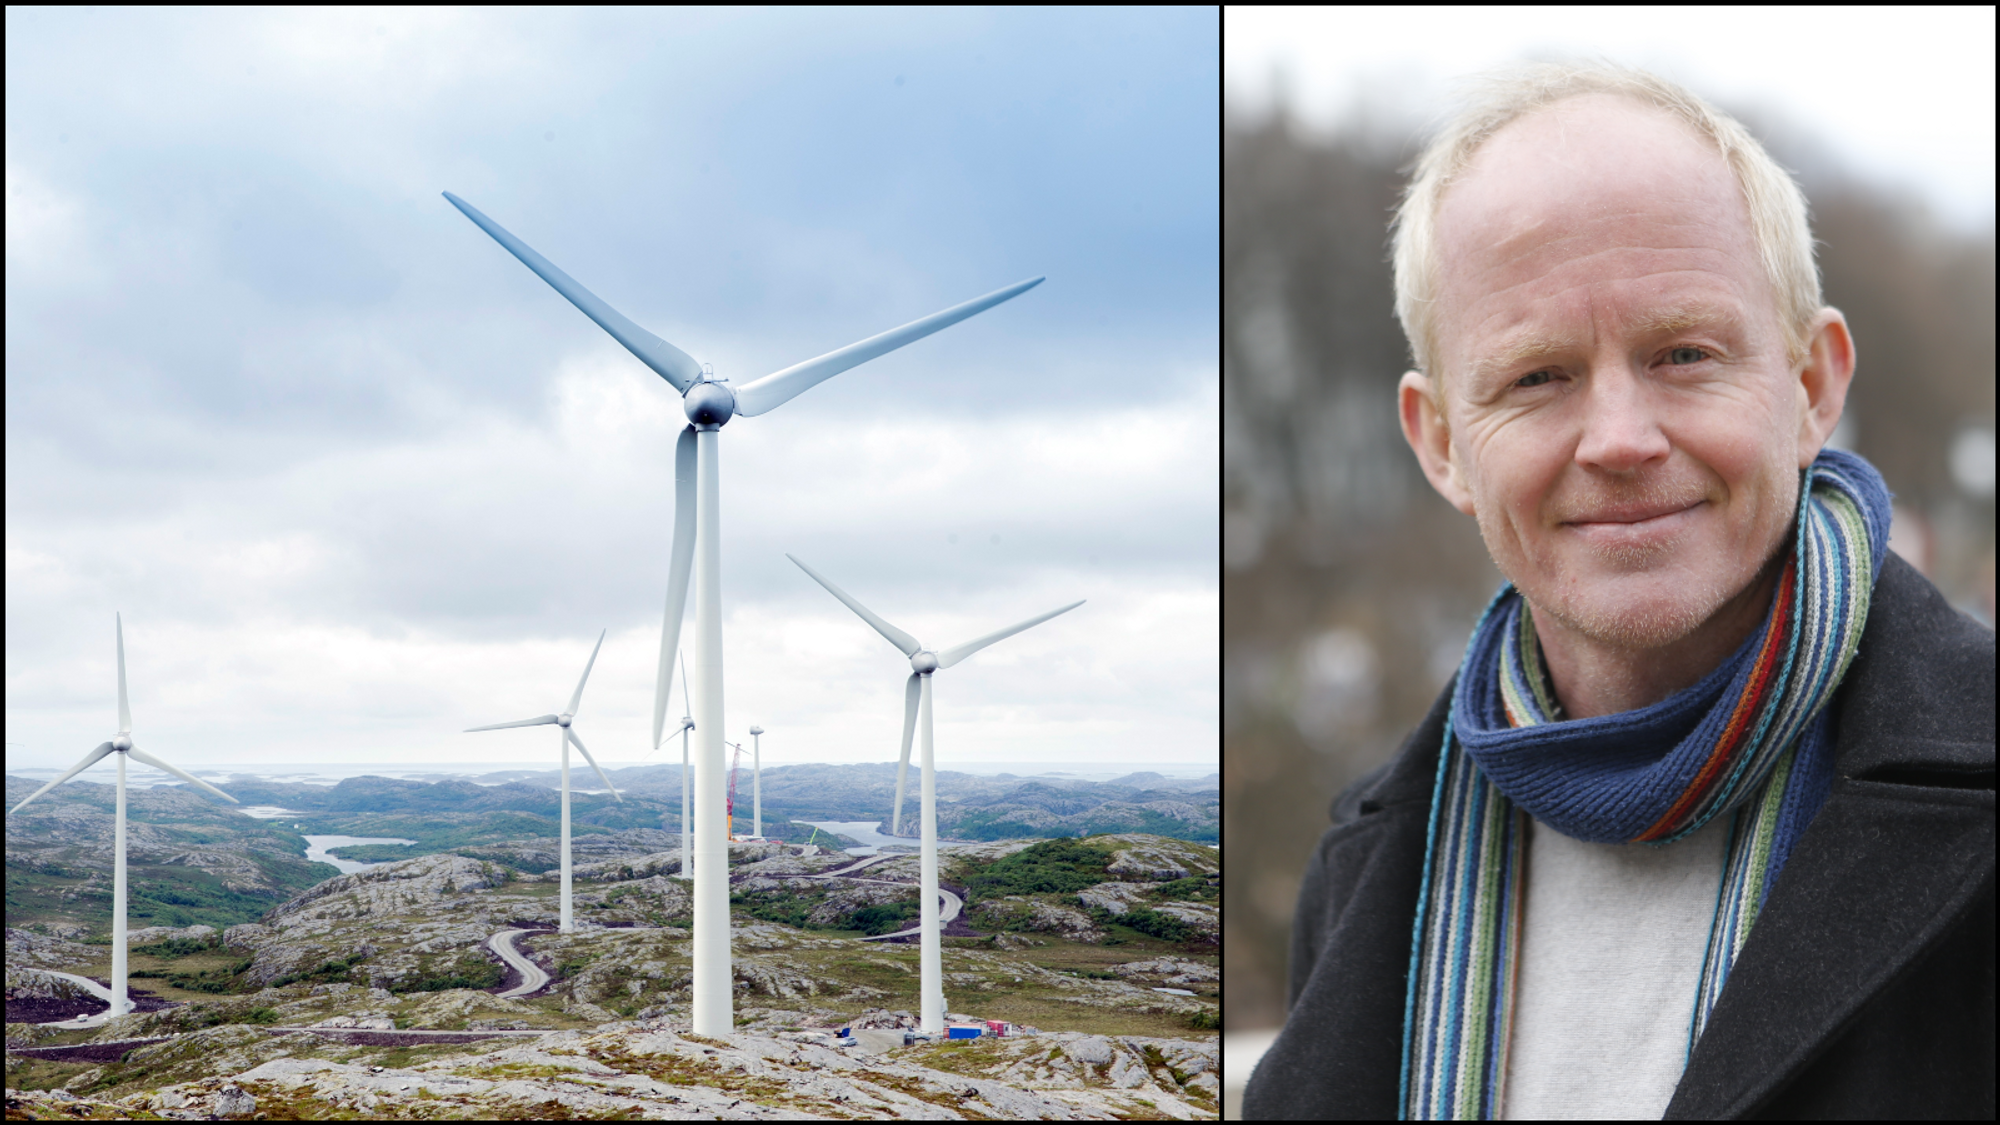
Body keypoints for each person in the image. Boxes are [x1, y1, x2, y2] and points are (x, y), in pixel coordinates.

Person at [1242, 62, 1994, 1120]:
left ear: (1811, 387)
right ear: (1443, 444)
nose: (1619, 441)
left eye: (1682, 353)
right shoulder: (1362, 875)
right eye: (1535, 377)